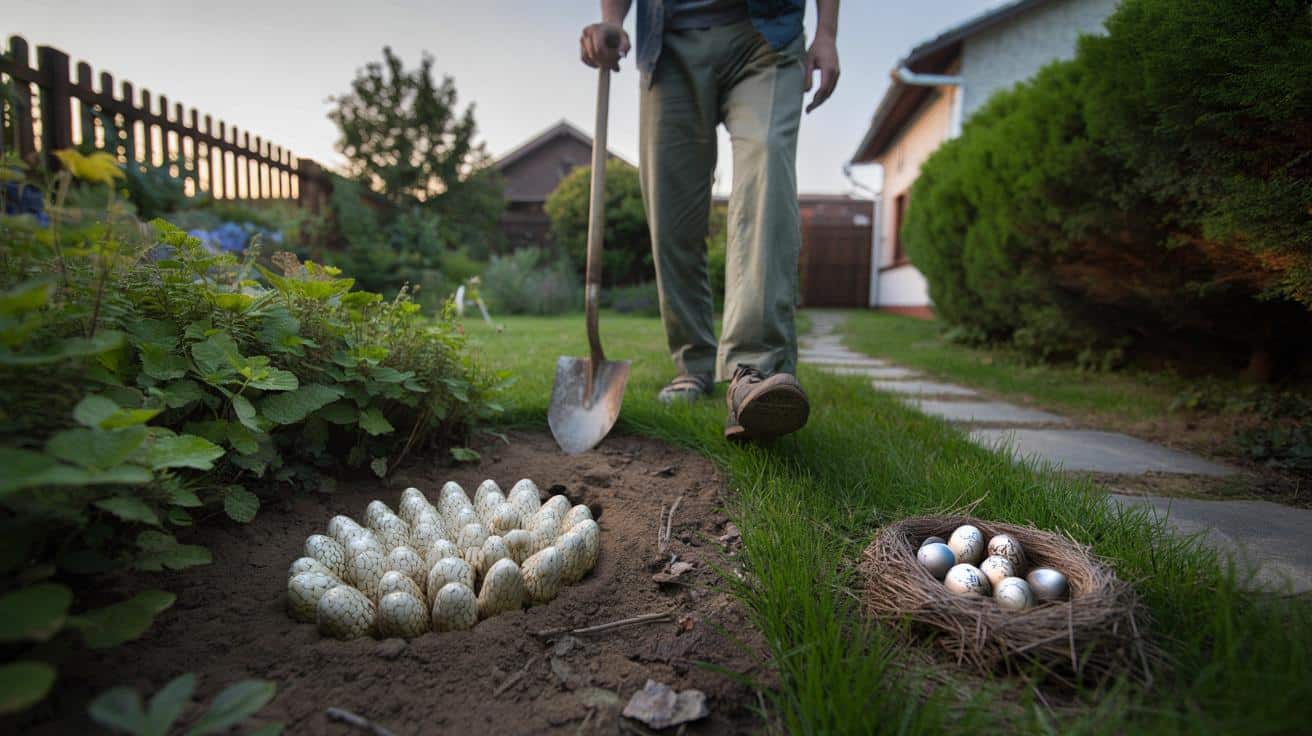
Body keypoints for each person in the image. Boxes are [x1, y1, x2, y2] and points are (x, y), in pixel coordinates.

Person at [580, 0, 839, 442]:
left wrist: (827, 33)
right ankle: (693, 363)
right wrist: (611, 20)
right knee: (671, 212)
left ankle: (755, 371)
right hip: (669, 42)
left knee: (766, 181)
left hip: (769, 34)